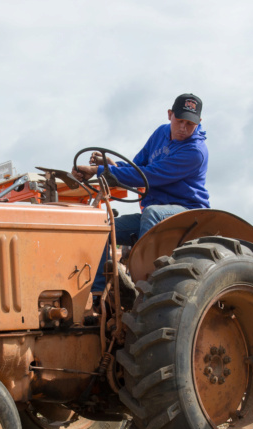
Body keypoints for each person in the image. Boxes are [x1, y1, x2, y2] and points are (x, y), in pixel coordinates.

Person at [74, 93, 210, 302]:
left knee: (152, 214)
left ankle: (144, 289)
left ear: (199, 123)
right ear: (169, 115)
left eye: (190, 124)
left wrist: (98, 170)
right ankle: (100, 294)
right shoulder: (161, 133)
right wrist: (111, 167)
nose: (183, 127)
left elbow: (148, 176)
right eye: (179, 120)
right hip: (156, 211)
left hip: (188, 212)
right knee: (103, 227)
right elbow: (138, 167)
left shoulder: (195, 152)